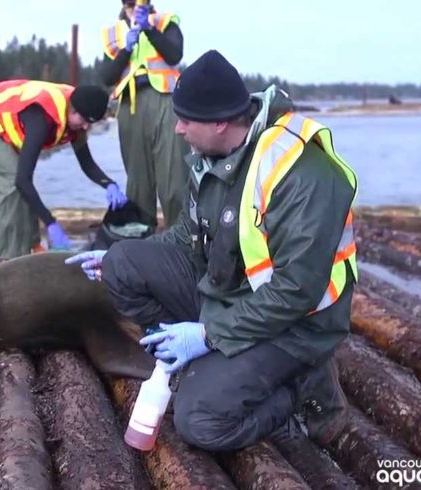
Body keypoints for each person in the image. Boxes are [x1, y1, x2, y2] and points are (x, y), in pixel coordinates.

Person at [66, 50, 359, 451]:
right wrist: (124, 253)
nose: (178, 130)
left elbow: (296, 290)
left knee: (201, 423)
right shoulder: (211, 156)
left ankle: (304, 387)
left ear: (220, 122)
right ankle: (196, 360)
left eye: (186, 121)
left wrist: (207, 334)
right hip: (233, 295)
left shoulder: (301, 173)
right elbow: (190, 232)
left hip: (296, 324)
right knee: (122, 265)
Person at [0, 79, 127, 267]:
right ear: (72, 109)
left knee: (22, 182)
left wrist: (109, 184)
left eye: (90, 123)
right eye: (84, 121)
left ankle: (31, 246)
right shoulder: (41, 119)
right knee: (10, 185)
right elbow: (22, 181)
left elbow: (87, 163)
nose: (86, 127)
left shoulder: (77, 116)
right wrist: (51, 223)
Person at [100, 0, 189, 227]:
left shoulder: (164, 22)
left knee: (174, 179)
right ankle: (141, 243)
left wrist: (148, 29)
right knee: (138, 182)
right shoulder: (113, 33)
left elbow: (174, 55)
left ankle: (182, 241)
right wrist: (125, 50)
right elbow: (107, 76)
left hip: (166, 102)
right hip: (131, 105)